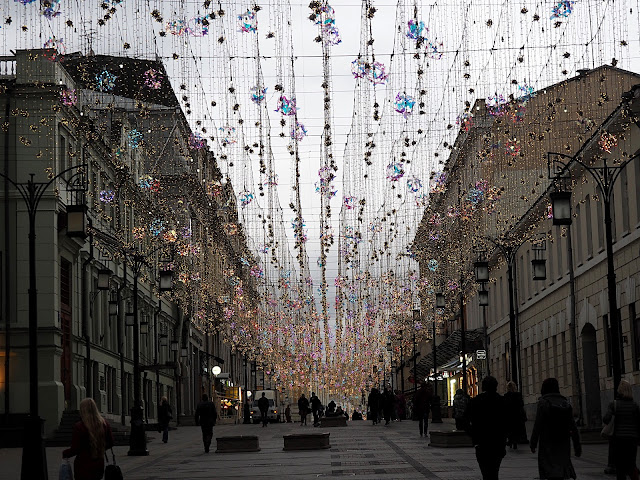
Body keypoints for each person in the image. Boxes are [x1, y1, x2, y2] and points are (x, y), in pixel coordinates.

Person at [530, 377, 581, 480]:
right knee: (561, 470)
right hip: (563, 443)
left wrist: (533, 443)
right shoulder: (565, 403)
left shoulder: (543, 403)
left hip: (547, 443)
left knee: (550, 471)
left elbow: (537, 425)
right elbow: (573, 427)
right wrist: (577, 446)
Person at [62, 397, 114, 480]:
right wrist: (99, 448)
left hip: (83, 465)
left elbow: (75, 448)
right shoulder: (104, 424)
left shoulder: (79, 426)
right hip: (99, 463)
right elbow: (111, 442)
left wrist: (65, 453)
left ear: (83, 410)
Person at [466, 376, 507, 480]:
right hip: (498, 442)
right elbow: (508, 422)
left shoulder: (475, 401)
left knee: (485, 473)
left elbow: (464, 421)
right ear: (496, 387)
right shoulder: (502, 401)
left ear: (483, 387)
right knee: (494, 472)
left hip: (481, 443)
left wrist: (473, 435)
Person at [603, 379, 640, 480]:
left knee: (620, 467)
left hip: (618, 440)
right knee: (632, 465)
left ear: (619, 390)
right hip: (632, 440)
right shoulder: (635, 406)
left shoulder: (613, 404)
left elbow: (606, 419)